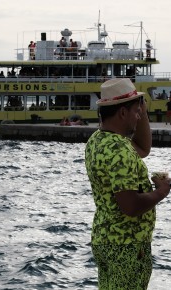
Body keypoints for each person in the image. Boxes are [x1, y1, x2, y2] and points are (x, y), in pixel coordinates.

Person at [84, 78, 171, 289]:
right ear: (122, 113)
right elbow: (130, 206)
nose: (140, 115)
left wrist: (139, 105)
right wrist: (162, 191)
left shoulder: (97, 140)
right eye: (136, 111)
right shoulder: (120, 150)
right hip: (126, 246)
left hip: (106, 240)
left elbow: (142, 147)